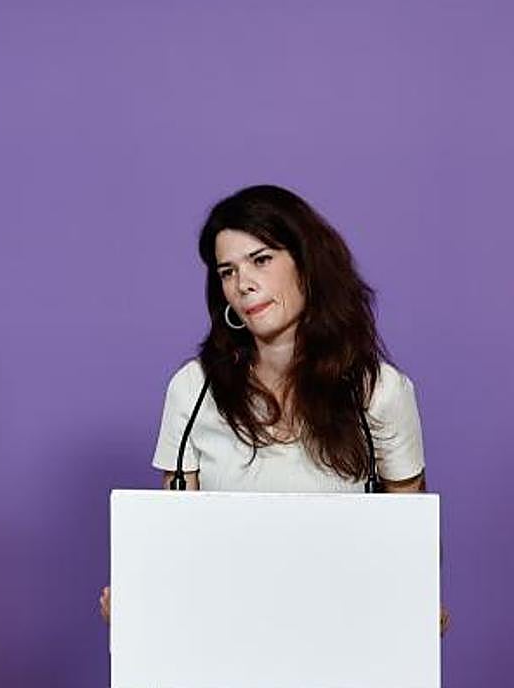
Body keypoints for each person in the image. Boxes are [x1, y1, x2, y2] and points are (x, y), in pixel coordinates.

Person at [100, 184, 441, 628]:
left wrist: (417, 608)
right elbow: (176, 541)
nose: (243, 284)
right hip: (226, 639)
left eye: (260, 260)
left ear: (306, 264)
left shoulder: (379, 392)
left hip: (342, 637)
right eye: (227, 271)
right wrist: (141, 601)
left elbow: (410, 542)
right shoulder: (194, 389)